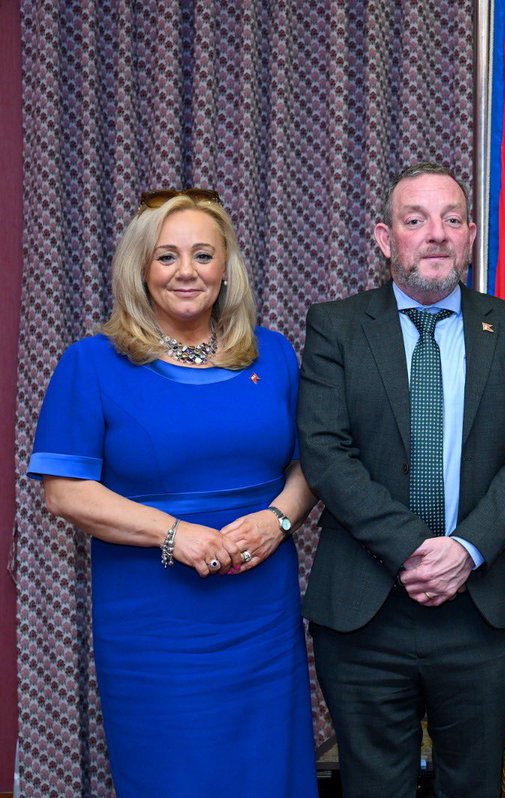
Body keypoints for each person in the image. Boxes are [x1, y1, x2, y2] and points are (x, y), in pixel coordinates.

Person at [28, 189, 319, 797]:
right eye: (167, 257)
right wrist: (173, 534)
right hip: (154, 624)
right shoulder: (92, 364)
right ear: (140, 269)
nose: (187, 271)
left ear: (225, 269)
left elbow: (314, 467)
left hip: (261, 615)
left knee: (269, 775)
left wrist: (277, 521)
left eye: (203, 255)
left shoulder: (276, 354)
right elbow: (64, 493)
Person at [298, 162, 505, 797]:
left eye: (452, 219)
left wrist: (463, 551)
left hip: (479, 607)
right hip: (365, 607)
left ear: (471, 236)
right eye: (416, 220)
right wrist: (415, 548)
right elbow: (326, 452)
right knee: (374, 786)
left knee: (474, 787)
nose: (435, 234)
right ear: (386, 238)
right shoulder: (336, 326)